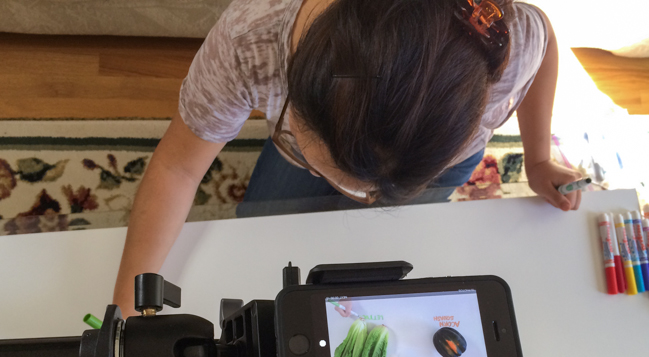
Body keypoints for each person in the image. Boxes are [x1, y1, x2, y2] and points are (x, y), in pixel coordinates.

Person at [113, 0, 581, 316]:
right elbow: (177, 167)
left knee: (381, 260)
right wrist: (128, 304)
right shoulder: (251, 38)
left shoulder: (509, 37)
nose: (362, 198)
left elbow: (542, 40)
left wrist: (538, 159)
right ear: (297, 87)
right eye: (335, 170)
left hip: (439, 164)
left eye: (375, 190)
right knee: (261, 232)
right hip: (307, 154)